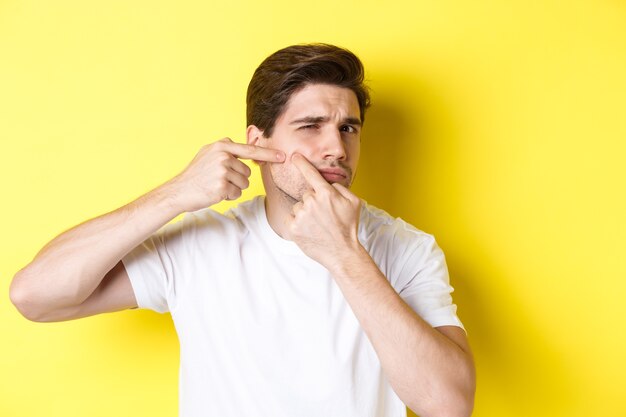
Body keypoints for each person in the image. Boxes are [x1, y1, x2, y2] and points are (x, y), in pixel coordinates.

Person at [10, 43, 476, 417]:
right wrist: (174, 194)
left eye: (348, 128)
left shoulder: (407, 247)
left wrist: (344, 253)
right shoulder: (201, 243)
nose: (336, 148)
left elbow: (448, 404)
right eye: (311, 126)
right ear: (259, 144)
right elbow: (34, 296)